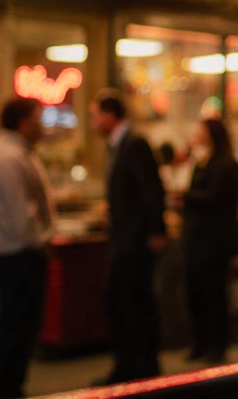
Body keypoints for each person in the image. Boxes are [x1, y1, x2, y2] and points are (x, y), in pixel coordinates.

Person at [89, 89, 167, 384]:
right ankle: (133, 365)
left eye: (95, 115)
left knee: (130, 301)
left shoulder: (133, 144)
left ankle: (139, 366)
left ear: (110, 116)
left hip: (134, 242)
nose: (92, 122)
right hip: (125, 238)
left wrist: (156, 230)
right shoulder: (119, 145)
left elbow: (151, 189)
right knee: (125, 300)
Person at [0, 98, 57, 399]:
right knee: (16, 326)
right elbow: (19, 213)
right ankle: (7, 389)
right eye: (38, 120)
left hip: (21, 250)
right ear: (23, 123)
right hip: (16, 253)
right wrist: (39, 241)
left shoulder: (19, 153)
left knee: (22, 326)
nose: (43, 126)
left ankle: (12, 386)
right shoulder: (8, 156)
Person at [172, 119, 238, 363]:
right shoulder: (200, 163)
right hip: (195, 238)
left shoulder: (226, 165)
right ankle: (199, 342)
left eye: (201, 131)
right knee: (195, 293)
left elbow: (216, 198)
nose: (197, 135)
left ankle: (217, 344)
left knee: (214, 294)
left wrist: (187, 198)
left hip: (214, 241)